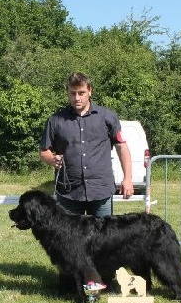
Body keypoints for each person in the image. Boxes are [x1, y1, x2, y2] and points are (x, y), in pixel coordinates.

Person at [39, 72, 133, 217]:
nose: (77, 98)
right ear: (67, 93)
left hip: (101, 190)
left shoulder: (107, 117)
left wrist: (127, 179)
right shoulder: (55, 120)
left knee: (103, 239)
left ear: (90, 91)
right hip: (69, 193)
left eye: (81, 93)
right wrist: (52, 159)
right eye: (73, 93)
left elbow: (122, 148)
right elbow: (44, 151)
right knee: (69, 239)